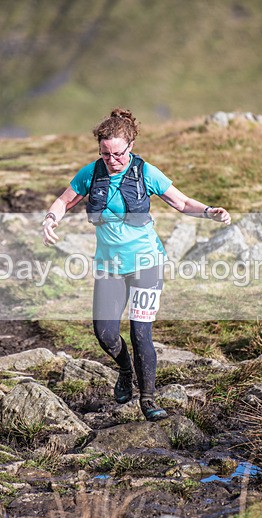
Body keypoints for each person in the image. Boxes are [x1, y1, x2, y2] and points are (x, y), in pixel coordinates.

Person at [42, 108, 231, 422]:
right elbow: (64, 201)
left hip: (147, 264)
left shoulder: (146, 173)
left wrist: (210, 211)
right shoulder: (91, 173)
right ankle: (125, 371)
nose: (112, 159)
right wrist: (50, 219)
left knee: (140, 333)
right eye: (105, 154)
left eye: (118, 153)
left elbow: (182, 202)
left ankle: (148, 400)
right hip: (109, 266)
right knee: (104, 333)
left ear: (130, 146)